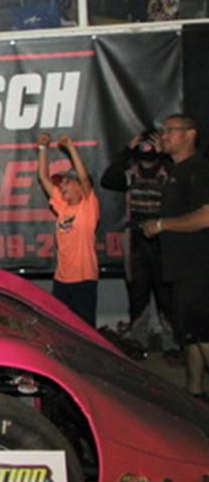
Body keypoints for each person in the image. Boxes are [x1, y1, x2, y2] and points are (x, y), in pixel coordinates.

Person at [142, 114, 209, 400]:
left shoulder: (198, 169)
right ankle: (195, 392)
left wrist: (161, 225)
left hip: (199, 268)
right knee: (191, 336)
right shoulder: (176, 171)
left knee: (204, 334)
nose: (164, 135)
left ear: (190, 134)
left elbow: (207, 215)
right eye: (163, 130)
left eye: (170, 130)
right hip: (182, 270)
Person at [99, 130, 175, 353]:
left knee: (166, 293)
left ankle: (172, 344)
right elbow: (108, 179)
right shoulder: (131, 172)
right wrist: (127, 150)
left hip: (163, 237)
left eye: (150, 144)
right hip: (135, 239)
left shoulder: (167, 172)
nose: (146, 148)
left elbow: (179, 175)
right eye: (143, 145)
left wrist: (165, 155)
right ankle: (138, 343)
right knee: (137, 291)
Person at [36, 133, 100, 326]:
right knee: (62, 328)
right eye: (61, 184)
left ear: (80, 187)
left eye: (67, 182)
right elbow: (43, 176)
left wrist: (70, 147)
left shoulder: (87, 206)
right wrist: (43, 148)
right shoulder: (62, 207)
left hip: (84, 279)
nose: (61, 187)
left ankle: (88, 358)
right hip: (61, 279)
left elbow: (85, 179)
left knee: (84, 328)